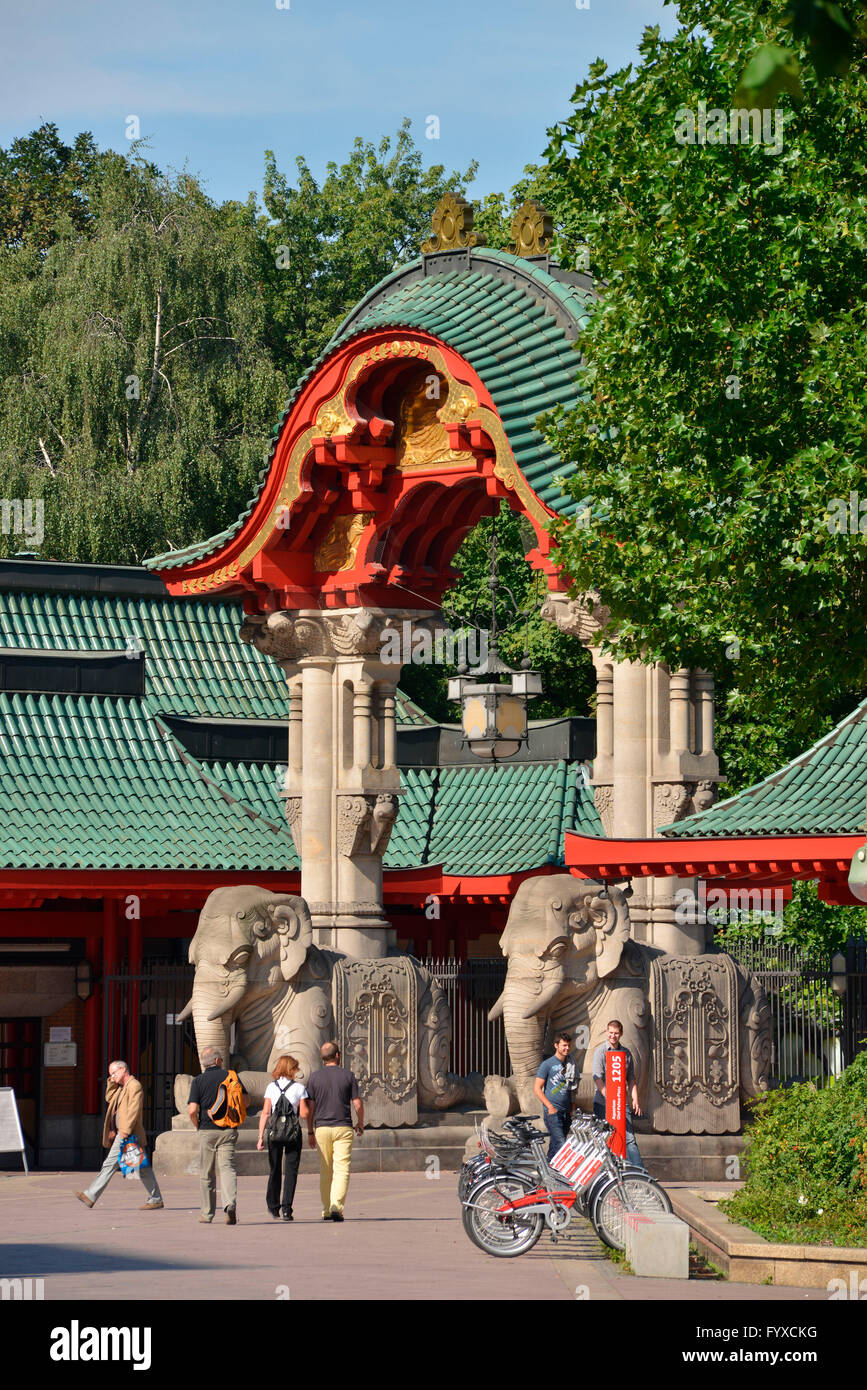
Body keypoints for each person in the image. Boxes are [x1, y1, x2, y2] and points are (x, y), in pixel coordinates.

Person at [74, 1059, 163, 1210]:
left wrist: (125, 1131)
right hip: (124, 1134)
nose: (112, 1076)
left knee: (109, 1164)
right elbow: (109, 1098)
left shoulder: (134, 1086)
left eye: (114, 1073)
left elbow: (134, 1110)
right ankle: (156, 1199)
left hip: (127, 1134)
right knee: (143, 1168)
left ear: (123, 1070)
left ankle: (90, 1195)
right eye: (110, 1074)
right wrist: (112, 1081)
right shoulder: (121, 1088)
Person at [188, 1045, 248, 1225]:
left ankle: (207, 1214)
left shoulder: (198, 1081)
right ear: (217, 1061)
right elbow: (246, 1099)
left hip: (206, 1130)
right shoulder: (231, 1076)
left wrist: (197, 1125)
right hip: (228, 1129)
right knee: (227, 1168)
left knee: (206, 1172)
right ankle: (229, 1205)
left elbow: (192, 1110)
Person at [305, 1041, 364, 1222]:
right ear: (337, 1055)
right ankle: (336, 1206)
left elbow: (310, 1108)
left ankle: (326, 1209)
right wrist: (360, 1123)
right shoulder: (348, 1075)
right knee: (341, 1168)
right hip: (343, 1126)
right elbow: (357, 1103)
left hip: (322, 1128)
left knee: (326, 1169)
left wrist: (310, 1132)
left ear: (323, 1058)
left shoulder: (314, 1078)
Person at [257, 1054, 309, 1221]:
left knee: (275, 1169)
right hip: (293, 1134)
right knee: (291, 1171)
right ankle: (287, 1208)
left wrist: (260, 1137)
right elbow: (303, 1113)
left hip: (274, 1133)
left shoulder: (271, 1087)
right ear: (291, 1069)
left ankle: (273, 1207)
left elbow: (265, 1112)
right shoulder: (299, 1088)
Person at [592, 1018, 645, 1170]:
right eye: (610, 1033)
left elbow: (631, 1079)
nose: (613, 1036)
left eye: (616, 1033)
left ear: (621, 1034)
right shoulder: (600, 1052)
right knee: (604, 1138)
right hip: (603, 1103)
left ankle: (639, 1173)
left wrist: (635, 1099)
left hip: (622, 1103)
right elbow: (597, 1078)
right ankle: (605, 1173)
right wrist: (609, 1098)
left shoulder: (626, 1053)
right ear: (606, 1032)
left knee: (629, 1139)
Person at [534, 1032, 578, 1160]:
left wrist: (572, 1108)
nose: (567, 1048)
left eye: (568, 1045)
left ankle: (549, 1172)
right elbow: (537, 1089)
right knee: (561, 1144)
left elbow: (573, 1089)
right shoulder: (547, 1064)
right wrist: (550, 1107)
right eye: (564, 1045)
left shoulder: (571, 1063)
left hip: (566, 1111)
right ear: (556, 1045)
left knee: (555, 1146)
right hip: (553, 1112)